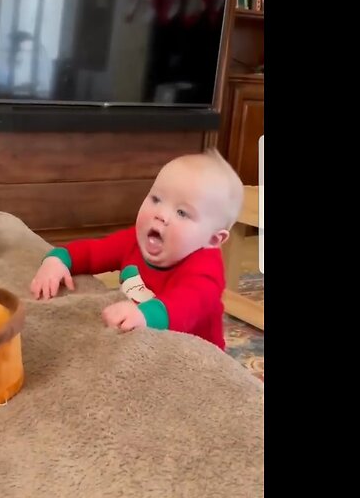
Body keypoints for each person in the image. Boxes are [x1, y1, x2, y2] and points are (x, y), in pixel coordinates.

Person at [29, 149, 244, 349]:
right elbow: (94, 252)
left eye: (182, 213)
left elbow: (186, 303)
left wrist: (145, 316)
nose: (160, 214)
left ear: (213, 239)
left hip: (194, 358)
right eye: (156, 199)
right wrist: (58, 259)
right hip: (142, 343)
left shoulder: (206, 271)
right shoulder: (134, 241)